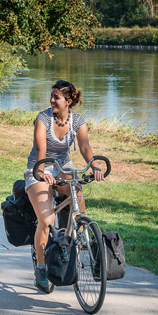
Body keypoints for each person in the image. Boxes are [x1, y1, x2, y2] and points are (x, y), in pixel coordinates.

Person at [24, 79, 104, 293]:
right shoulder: (43, 118)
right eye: (52, 96)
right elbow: (41, 147)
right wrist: (41, 172)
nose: (52, 100)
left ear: (68, 101)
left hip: (63, 166)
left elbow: (85, 146)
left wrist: (94, 166)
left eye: (56, 97)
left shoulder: (77, 120)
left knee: (76, 191)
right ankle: (41, 269)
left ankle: (81, 230)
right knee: (47, 220)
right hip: (39, 166)